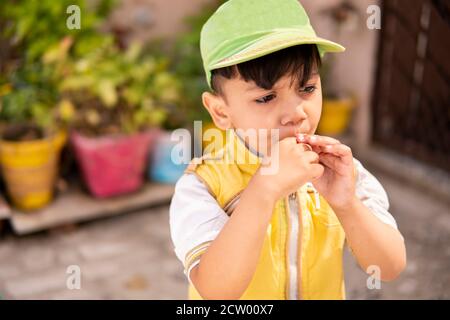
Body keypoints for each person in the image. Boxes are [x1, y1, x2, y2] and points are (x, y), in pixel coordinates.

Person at [169, 0, 406, 300]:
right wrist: (263, 190)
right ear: (220, 112)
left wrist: (347, 204)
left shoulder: (341, 172)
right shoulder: (203, 184)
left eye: (307, 89)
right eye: (267, 97)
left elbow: (388, 267)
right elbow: (217, 291)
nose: (296, 113)